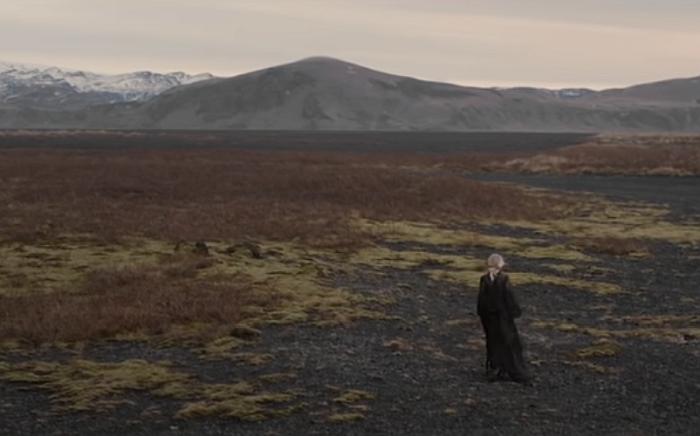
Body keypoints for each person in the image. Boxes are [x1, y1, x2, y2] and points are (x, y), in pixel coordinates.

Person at [477, 253, 530, 383]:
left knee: (493, 343)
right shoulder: (503, 279)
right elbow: (509, 297)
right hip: (502, 318)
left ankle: (495, 369)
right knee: (510, 344)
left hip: (490, 319)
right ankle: (513, 371)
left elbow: (481, 300)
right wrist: (515, 312)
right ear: (500, 265)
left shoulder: (484, 279)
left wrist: (482, 314)